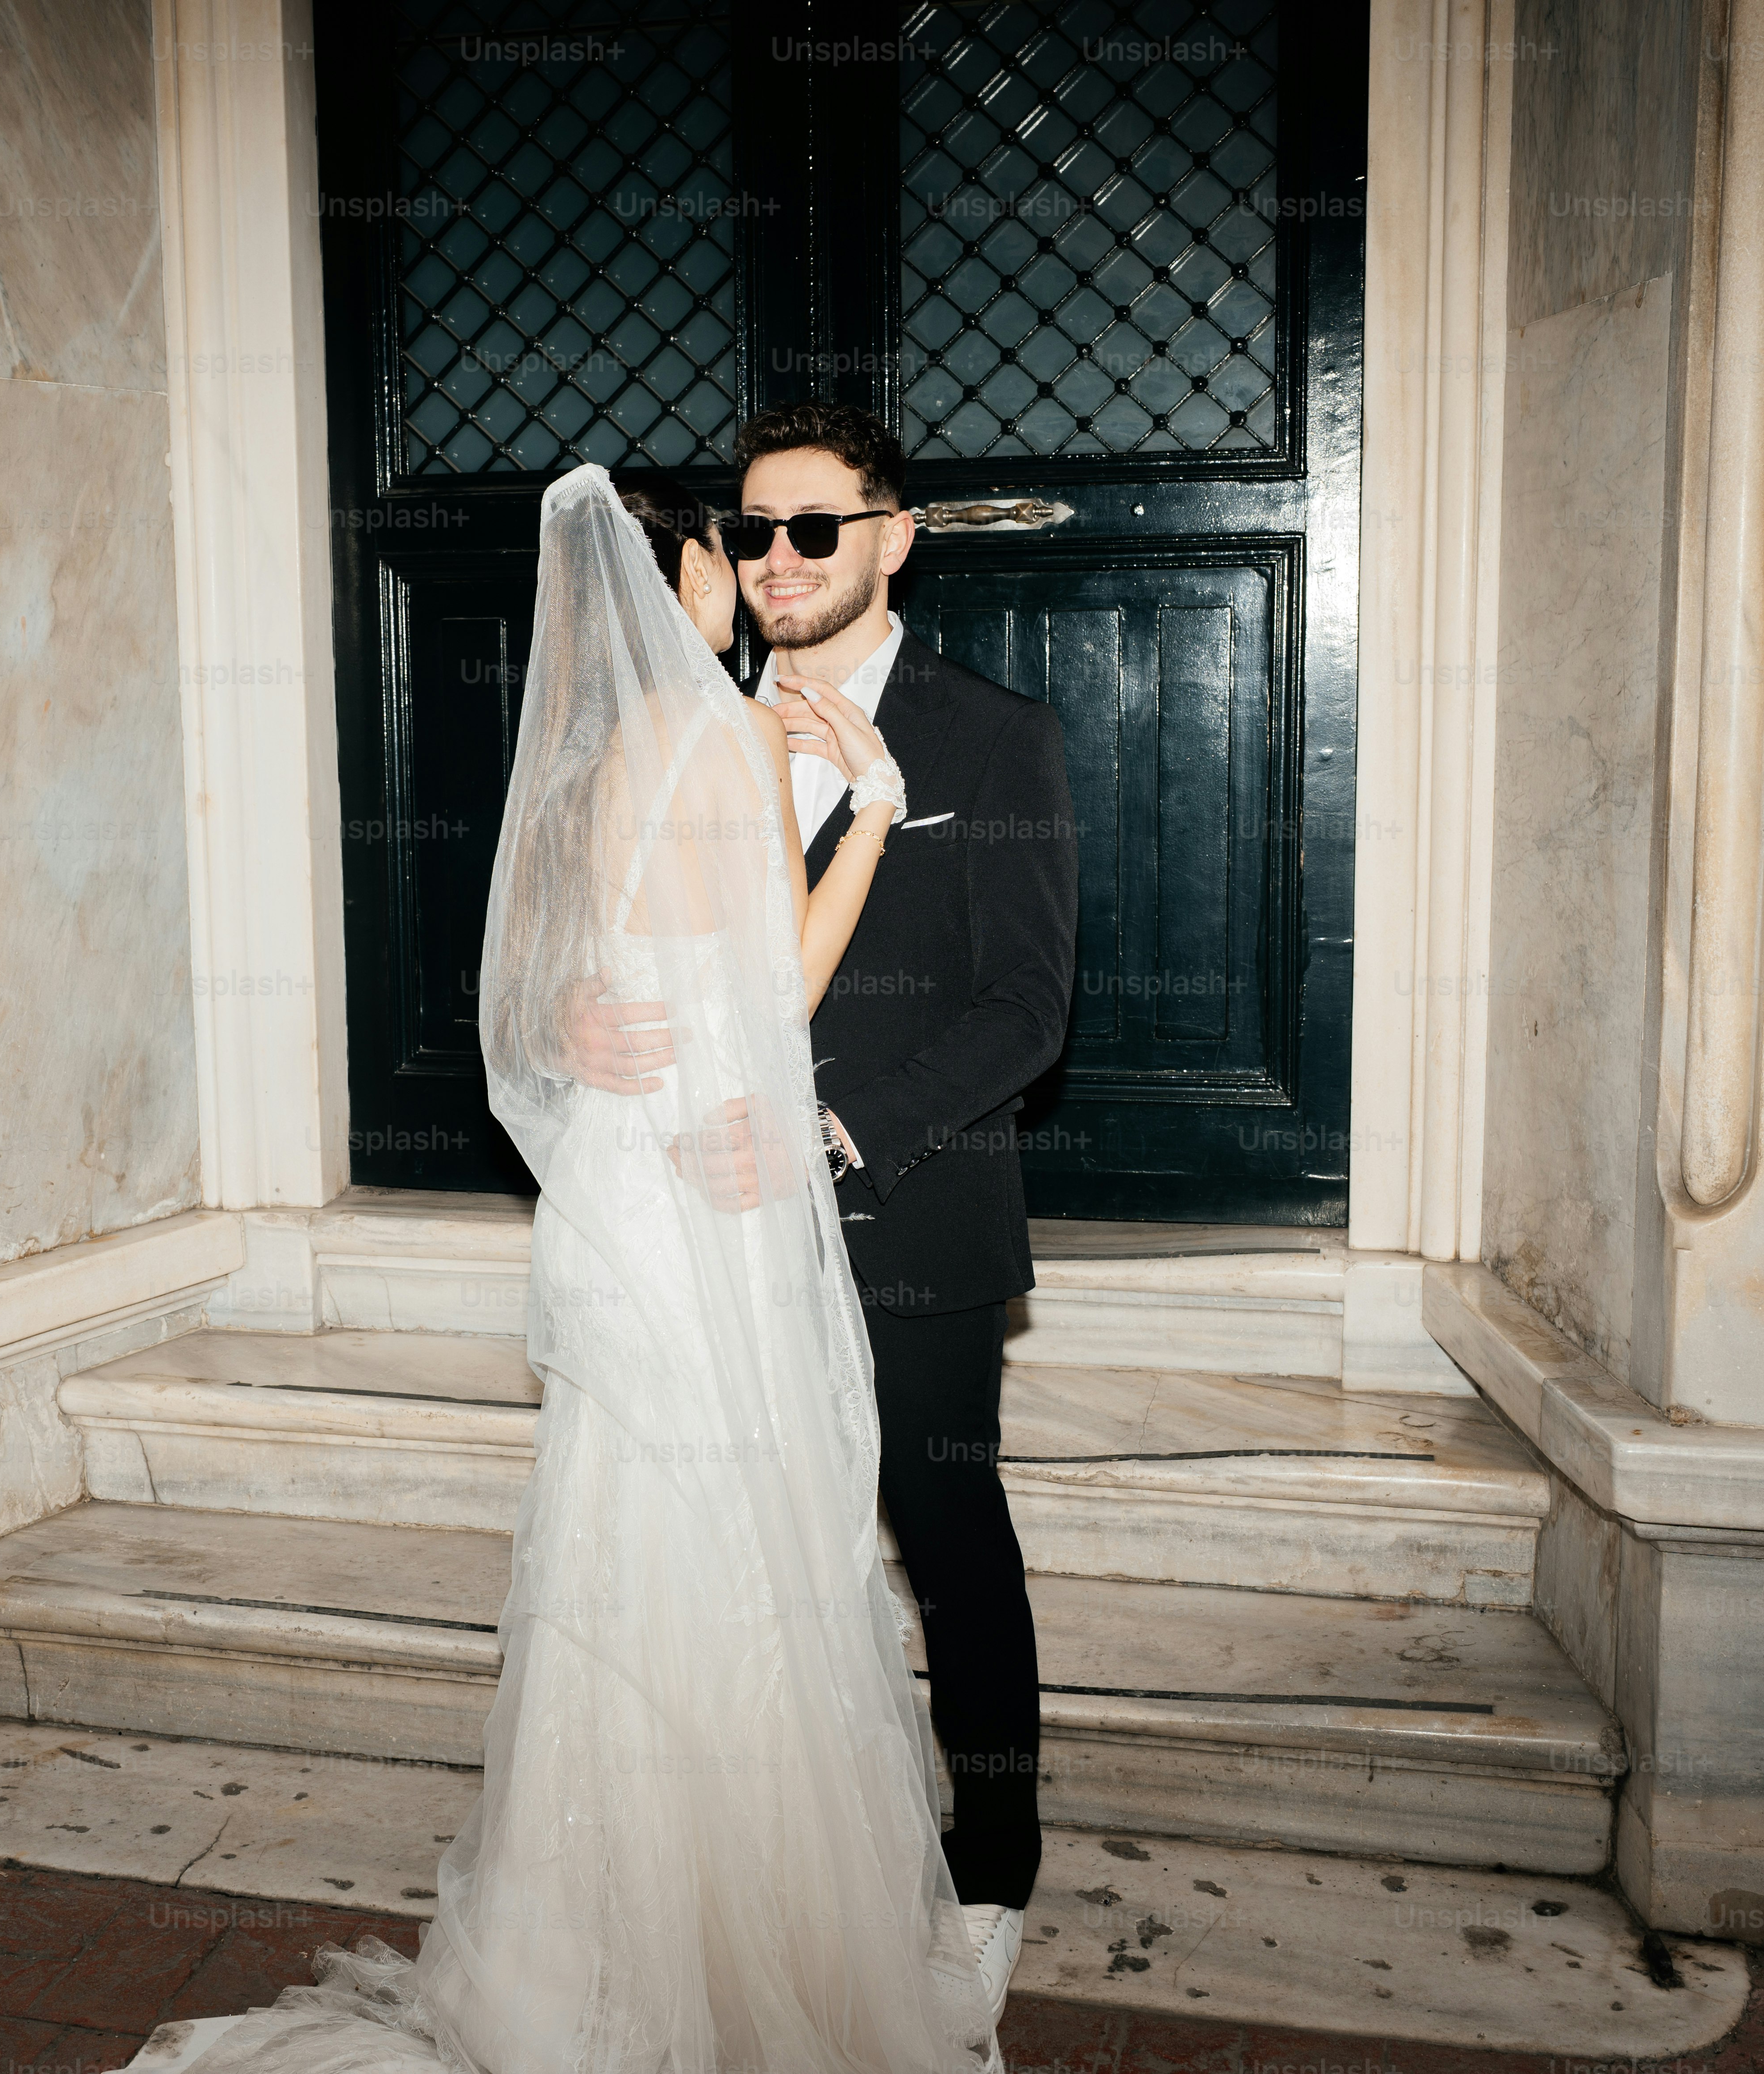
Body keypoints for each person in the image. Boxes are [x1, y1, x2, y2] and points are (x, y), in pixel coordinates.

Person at [122, 459, 994, 2074]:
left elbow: (553, 986)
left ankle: (578, 1949)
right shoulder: (723, 732)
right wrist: (869, 819)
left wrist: (596, 1030)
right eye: (726, 549)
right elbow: (774, 997)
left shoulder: (590, 762)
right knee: (740, 1546)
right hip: (703, 1189)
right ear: (698, 581)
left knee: (617, 1533)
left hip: (619, 1190)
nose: (747, 566)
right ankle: (728, 1956)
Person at [570, 404, 1076, 2008]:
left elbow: (1027, 1012)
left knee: (947, 1549)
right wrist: (575, 1018)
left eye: (816, 528)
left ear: (892, 537)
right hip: (706, 1241)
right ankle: (796, 1892)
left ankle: (991, 1881)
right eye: (757, 530)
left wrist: (843, 1134)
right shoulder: (681, 721)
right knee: (764, 1568)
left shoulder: (991, 737)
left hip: (903, 1224)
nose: (780, 558)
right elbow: (571, 925)